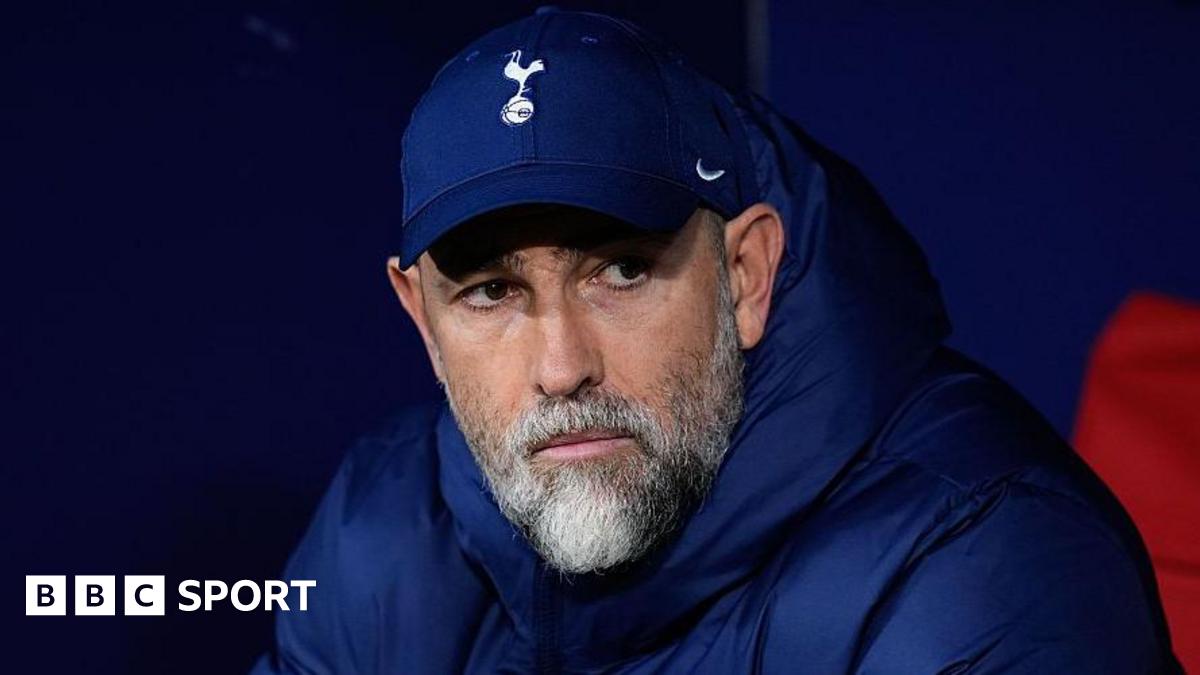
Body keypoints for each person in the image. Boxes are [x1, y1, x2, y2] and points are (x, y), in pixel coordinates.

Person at [251, 8, 1181, 673]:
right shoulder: (379, 531)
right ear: (421, 317)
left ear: (745, 275)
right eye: (492, 292)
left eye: (620, 271)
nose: (562, 367)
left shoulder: (988, 559)